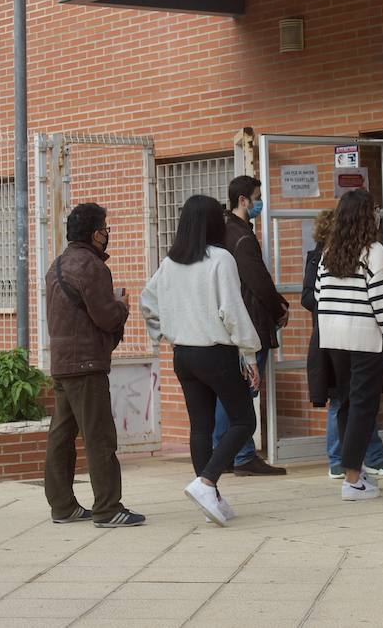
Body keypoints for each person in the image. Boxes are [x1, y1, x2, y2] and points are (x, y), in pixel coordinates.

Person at [141, 195, 260, 526]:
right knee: (244, 422)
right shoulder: (221, 259)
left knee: (201, 427)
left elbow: (146, 301)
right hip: (215, 351)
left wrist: (163, 333)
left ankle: (211, 499)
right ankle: (206, 483)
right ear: (213, 223)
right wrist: (248, 352)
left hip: (184, 354)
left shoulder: (170, 262)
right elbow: (233, 311)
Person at [43, 203, 145, 528]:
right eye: (105, 228)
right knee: (99, 436)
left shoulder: (57, 265)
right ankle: (108, 508)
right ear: (94, 233)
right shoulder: (92, 267)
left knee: (61, 437)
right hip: (87, 364)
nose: (107, 234)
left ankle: (63, 506)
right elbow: (106, 316)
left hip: (62, 364)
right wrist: (122, 306)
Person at [315, 189, 383, 501]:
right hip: (364, 337)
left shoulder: (329, 252)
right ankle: (352, 478)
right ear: (367, 217)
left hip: (333, 338)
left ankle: (350, 470)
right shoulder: (374, 252)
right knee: (364, 407)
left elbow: (317, 295)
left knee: (346, 404)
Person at [211, 176, 290, 476]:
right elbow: (257, 280)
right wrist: (279, 307)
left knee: (229, 392)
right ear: (243, 200)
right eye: (257, 197)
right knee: (244, 391)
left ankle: (225, 453)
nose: (260, 203)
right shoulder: (241, 236)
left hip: (232, 324)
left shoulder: (226, 231)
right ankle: (242, 454)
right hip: (250, 323)